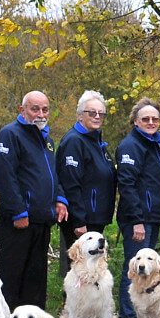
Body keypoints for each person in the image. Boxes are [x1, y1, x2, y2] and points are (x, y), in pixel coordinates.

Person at [0, 91, 67, 310]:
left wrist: (60, 199)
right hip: (18, 221)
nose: (40, 114)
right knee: (12, 277)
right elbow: (5, 177)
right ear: (22, 110)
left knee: (35, 280)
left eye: (45, 109)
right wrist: (18, 211)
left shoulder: (47, 140)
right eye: (35, 109)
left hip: (42, 220)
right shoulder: (9, 135)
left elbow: (52, 175)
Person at [116, 97, 160, 318]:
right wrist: (137, 221)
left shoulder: (153, 144)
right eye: (145, 119)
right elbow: (126, 185)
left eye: (154, 119)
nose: (150, 122)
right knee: (134, 270)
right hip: (138, 220)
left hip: (152, 217)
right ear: (135, 121)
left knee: (147, 271)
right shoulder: (131, 146)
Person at [56, 91, 115, 287]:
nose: (97, 117)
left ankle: (91, 310)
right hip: (81, 222)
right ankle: (73, 311)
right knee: (78, 272)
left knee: (93, 271)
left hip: (96, 218)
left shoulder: (97, 141)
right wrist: (79, 220)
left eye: (101, 113)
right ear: (80, 115)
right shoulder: (74, 141)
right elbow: (71, 183)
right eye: (92, 113)